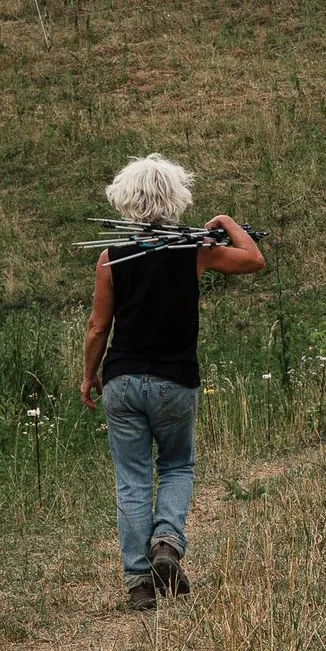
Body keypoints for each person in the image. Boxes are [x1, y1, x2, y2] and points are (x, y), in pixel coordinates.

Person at [79, 154, 265, 611]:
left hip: (122, 381)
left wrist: (88, 375)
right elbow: (254, 259)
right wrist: (223, 220)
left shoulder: (110, 257)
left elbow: (97, 328)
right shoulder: (195, 250)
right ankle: (166, 543)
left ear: (126, 200)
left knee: (132, 479)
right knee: (177, 466)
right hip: (175, 380)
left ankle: (139, 583)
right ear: (175, 199)